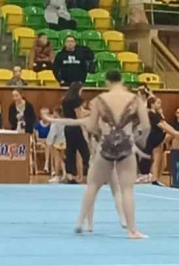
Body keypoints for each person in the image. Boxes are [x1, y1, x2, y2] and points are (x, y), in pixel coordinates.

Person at [45, 69, 150, 238]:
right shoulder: (135, 99)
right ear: (122, 80)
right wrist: (140, 140)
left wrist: (99, 133)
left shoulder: (99, 100)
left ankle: (80, 221)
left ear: (107, 82)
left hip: (106, 144)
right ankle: (131, 230)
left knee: (92, 185)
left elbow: (91, 126)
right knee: (127, 190)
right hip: (125, 144)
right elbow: (146, 126)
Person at [138, 96, 179, 185]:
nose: (160, 105)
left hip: (158, 137)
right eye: (158, 103)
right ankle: (154, 178)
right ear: (152, 104)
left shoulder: (157, 114)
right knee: (156, 159)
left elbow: (165, 123)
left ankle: (156, 178)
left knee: (159, 158)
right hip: (152, 138)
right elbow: (162, 126)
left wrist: (175, 132)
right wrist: (174, 133)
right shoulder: (150, 114)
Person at [61, 81, 90, 183]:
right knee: (84, 150)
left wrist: (88, 112)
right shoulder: (76, 100)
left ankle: (70, 174)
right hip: (75, 127)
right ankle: (93, 170)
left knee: (70, 151)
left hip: (68, 127)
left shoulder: (65, 100)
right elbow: (79, 115)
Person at [47, 105, 67, 183]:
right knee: (62, 159)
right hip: (64, 141)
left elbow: (53, 133)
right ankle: (65, 173)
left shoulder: (55, 122)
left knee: (57, 159)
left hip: (57, 142)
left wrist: (49, 142)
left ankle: (57, 176)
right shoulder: (65, 121)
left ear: (56, 113)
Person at [34, 108, 52, 174]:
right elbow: (37, 138)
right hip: (40, 143)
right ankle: (47, 164)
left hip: (50, 144)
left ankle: (48, 165)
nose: (45, 116)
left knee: (50, 146)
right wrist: (46, 140)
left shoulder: (51, 125)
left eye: (46, 114)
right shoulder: (37, 125)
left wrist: (48, 140)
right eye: (43, 114)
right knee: (48, 144)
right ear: (41, 115)